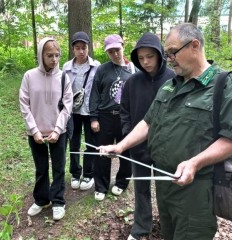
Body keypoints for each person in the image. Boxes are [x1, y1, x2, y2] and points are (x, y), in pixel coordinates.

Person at [99, 23, 232, 240]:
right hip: (165, 186)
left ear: (195, 46)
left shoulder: (223, 85)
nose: (168, 59)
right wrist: (121, 146)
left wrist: (194, 163)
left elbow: (229, 139)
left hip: (196, 190)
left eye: (172, 52)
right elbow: (148, 123)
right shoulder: (170, 86)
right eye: (167, 53)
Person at [120, 33, 175, 240]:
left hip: (167, 148)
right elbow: (124, 110)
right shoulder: (132, 82)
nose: (146, 62)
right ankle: (141, 226)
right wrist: (127, 132)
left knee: (167, 189)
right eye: (141, 58)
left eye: (150, 56)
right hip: (139, 146)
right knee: (141, 189)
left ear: (160, 55)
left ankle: (169, 227)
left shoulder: (174, 79)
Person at [19, 37, 73, 221]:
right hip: (36, 133)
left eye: (57, 55)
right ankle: (42, 200)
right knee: (41, 167)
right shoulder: (29, 76)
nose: (54, 59)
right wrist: (34, 131)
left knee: (58, 167)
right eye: (49, 55)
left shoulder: (64, 77)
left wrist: (58, 130)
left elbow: (67, 105)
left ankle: (58, 201)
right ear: (41, 55)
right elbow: (24, 104)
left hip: (58, 131)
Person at [89, 34, 135, 201]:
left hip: (125, 118)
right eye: (111, 52)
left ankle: (122, 182)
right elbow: (94, 94)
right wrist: (93, 118)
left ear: (123, 47)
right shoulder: (102, 69)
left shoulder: (132, 69)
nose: (115, 54)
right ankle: (101, 186)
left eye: (117, 49)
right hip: (105, 117)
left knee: (126, 151)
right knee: (103, 152)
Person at [62, 31, 100, 191]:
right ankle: (75, 173)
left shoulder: (96, 66)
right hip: (72, 112)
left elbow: (98, 91)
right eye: (77, 48)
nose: (81, 51)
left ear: (88, 48)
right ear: (73, 49)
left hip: (90, 112)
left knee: (91, 144)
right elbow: (62, 90)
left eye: (84, 47)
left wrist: (95, 116)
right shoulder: (66, 67)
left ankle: (89, 174)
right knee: (74, 143)